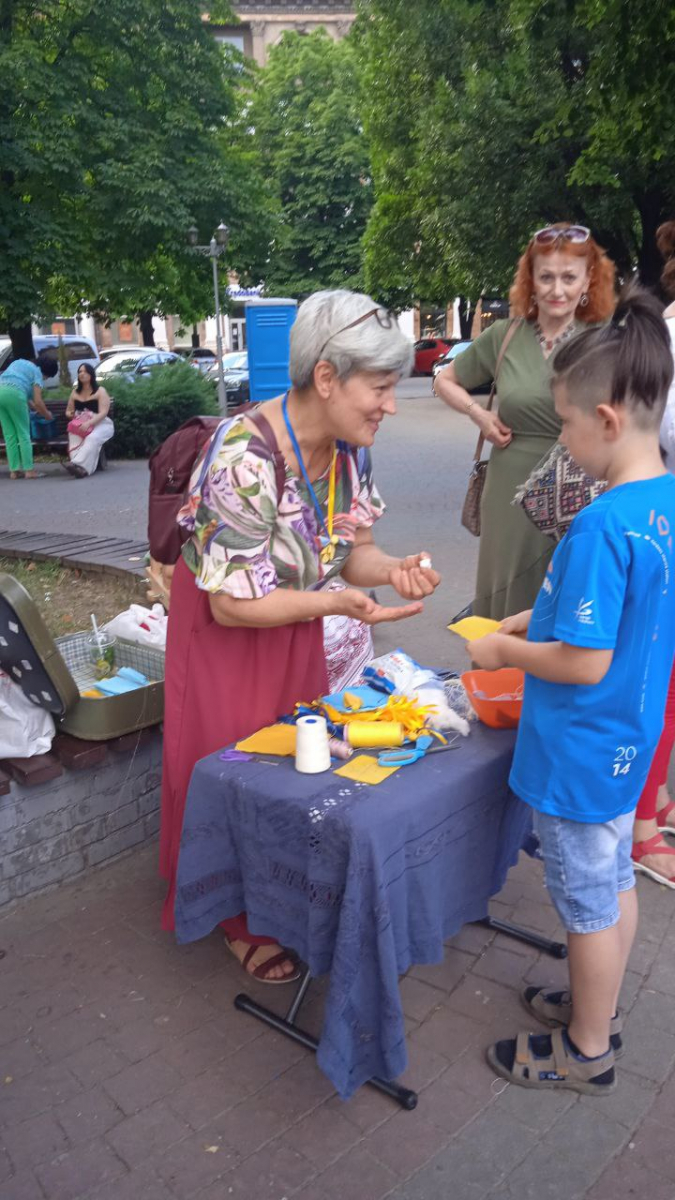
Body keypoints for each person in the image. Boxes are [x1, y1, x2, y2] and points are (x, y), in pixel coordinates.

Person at [160, 289, 441, 982]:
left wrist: (392, 571)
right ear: (325, 378)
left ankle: (279, 893)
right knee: (231, 768)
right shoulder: (243, 458)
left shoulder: (350, 450)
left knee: (296, 763)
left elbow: (355, 554)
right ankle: (234, 915)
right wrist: (337, 602)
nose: (391, 404)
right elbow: (229, 607)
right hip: (232, 634)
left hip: (294, 619)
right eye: (379, 387)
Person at [468, 284, 675, 1094]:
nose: (564, 444)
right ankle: (602, 1007)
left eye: (566, 426)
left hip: (580, 748)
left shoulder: (599, 523)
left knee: (584, 902)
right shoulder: (662, 500)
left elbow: (582, 663)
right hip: (628, 740)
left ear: (608, 421)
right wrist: (537, 612)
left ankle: (588, 1051)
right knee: (613, 878)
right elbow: (615, 620)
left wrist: (501, 647)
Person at [434, 223, 615, 620]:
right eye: (546, 277)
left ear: (588, 281)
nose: (557, 289)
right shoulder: (504, 335)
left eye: (569, 278)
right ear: (530, 281)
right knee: (506, 595)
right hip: (508, 489)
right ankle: (499, 679)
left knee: (569, 594)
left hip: (580, 487)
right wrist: (478, 414)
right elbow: (443, 380)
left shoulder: (604, 340)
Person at [631, 219, 675, 886]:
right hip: (660, 515)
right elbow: (659, 426)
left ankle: (657, 798)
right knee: (654, 673)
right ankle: (642, 826)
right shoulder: (665, 330)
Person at [0, 354, 58, 479]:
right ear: (45, 372)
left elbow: (28, 398)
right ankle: (29, 470)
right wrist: (47, 415)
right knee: (23, 434)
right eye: (47, 377)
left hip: (1, 392)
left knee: (10, 435)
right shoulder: (37, 372)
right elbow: (38, 401)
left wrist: (35, 408)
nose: (45, 379)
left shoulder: (19, 362)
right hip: (15, 394)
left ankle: (14, 471)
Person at [63, 363, 114, 477]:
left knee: (92, 438)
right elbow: (68, 411)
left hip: (101, 424)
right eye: (80, 372)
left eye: (85, 371)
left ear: (91, 374)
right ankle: (79, 468)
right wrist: (70, 414)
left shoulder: (100, 391)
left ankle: (79, 467)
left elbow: (103, 412)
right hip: (81, 424)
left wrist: (89, 423)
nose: (82, 374)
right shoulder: (75, 392)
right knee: (74, 437)